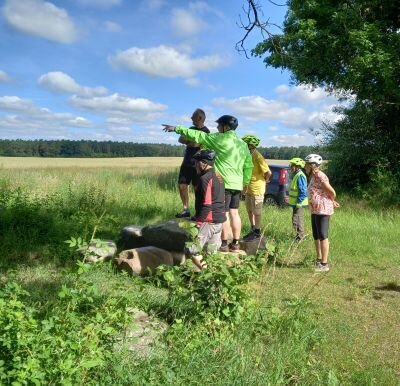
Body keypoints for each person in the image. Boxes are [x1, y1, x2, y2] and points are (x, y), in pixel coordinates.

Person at [162, 115, 253, 252]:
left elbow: (199, 135)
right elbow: (248, 165)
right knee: (235, 213)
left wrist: (177, 128)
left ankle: (223, 243)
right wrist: (245, 182)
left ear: (225, 127)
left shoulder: (220, 139)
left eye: (219, 125)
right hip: (237, 184)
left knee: (225, 213)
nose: (216, 128)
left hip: (224, 183)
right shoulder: (242, 144)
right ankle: (235, 243)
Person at [184, 150, 226, 270]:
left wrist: (198, 224)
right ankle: (213, 278)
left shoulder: (205, 179)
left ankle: (206, 271)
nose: (195, 165)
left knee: (192, 250)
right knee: (211, 253)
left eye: (196, 163)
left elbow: (207, 204)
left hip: (208, 221)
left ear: (203, 163)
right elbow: (222, 197)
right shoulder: (218, 176)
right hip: (219, 220)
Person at [304, 154, 340, 272]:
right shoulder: (314, 176)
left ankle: (324, 264)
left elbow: (332, 192)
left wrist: (332, 200)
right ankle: (319, 259)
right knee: (316, 235)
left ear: (312, 165)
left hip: (323, 210)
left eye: (307, 164)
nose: (305, 166)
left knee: (323, 235)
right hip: (315, 209)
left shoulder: (320, 176)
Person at [175, 108, 210, 218]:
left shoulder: (206, 131)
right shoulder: (191, 128)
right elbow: (180, 139)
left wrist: (190, 142)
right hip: (186, 162)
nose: (191, 118)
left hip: (198, 165)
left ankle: (198, 212)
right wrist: (191, 142)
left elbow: (195, 144)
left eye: (193, 116)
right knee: (182, 186)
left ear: (200, 118)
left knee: (197, 189)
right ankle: (185, 209)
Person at [241, 135, 272, 241]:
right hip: (249, 187)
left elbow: (268, 172)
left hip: (257, 188)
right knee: (249, 209)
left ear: (250, 146)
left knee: (257, 211)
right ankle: (253, 228)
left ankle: (257, 231)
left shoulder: (257, 155)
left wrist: (266, 180)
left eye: (244, 145)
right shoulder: (247, 155)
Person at [288, 157, 308, 241]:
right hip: (296, 202)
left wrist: (299, 202)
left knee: (297, 220)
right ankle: (299, 236)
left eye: (292, 165)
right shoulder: (297, 175)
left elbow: (303, 190)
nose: (290, 167)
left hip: (299, 202)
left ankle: (300, 237)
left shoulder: (300, 175)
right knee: (296, 219)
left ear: (297, 166)